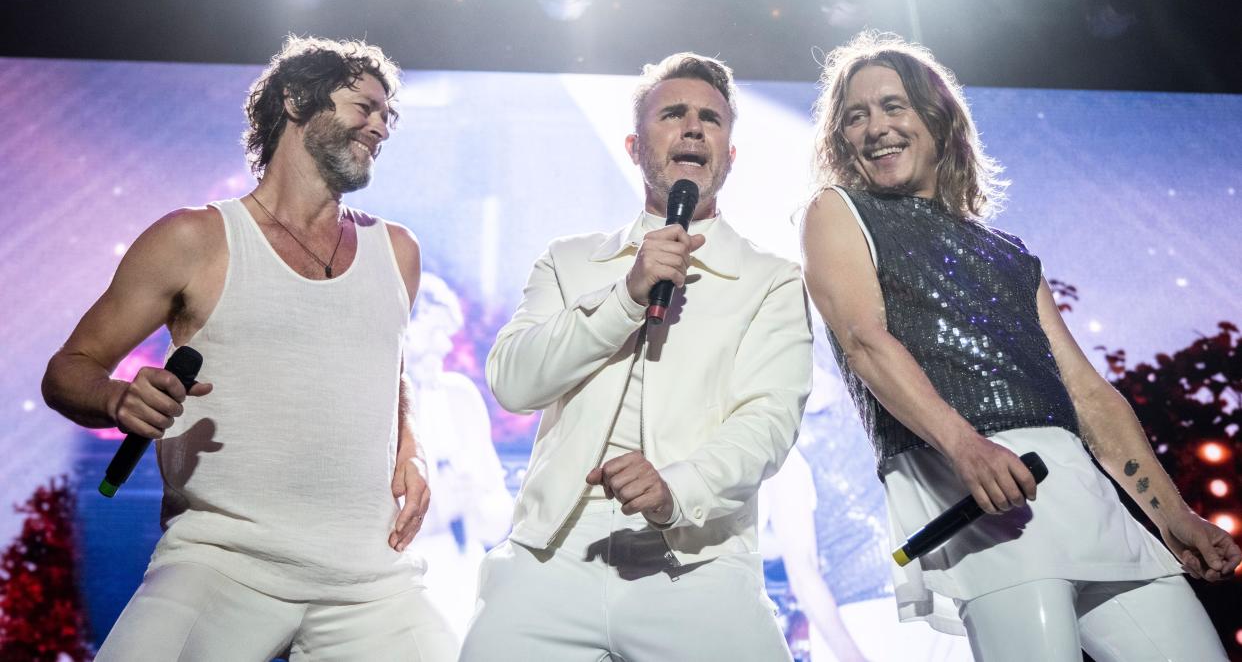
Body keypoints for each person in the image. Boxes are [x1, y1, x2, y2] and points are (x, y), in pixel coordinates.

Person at [800, 30, 1240, 661]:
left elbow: (1089, 396)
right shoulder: (838, 210)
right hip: (978, 491)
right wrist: (964, 447)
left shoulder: (1008, 252)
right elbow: (865, 341)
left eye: (893, 106)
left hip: (1081, 492)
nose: (875, 127)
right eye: (855, 117)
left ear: (937, 117)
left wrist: (1173, 516)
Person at [42, 36, 457, 661]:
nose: (379, 125)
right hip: (220, 560)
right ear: (294, 100)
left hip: (369, 575)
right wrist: (117, 397)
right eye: (362, 106)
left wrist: (413, 444)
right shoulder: (194, 238)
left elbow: (387, 366)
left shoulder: (397, 251)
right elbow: (66, 372)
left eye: (386, 114)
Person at [459, 53, 813, 661]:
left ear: (730, 153)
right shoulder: (571, 262)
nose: (694, 128)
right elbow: (514, 382)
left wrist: (675, 486)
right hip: (553, 554)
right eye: (672, 114)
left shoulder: (770, 279)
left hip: (696, 559)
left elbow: (768, 422)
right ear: (633, 145)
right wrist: (626, 293)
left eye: (711, 119)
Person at [763, 331, 971, 662]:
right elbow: (802, 571)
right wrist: (850, 655)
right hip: (864, 619)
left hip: (939, 599)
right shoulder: (791, 451)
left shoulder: (882, 415)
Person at [403, 272, 514, 637]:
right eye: (432, 331)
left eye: (447, 334)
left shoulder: (460, 397)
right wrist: (438, 511)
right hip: (397, 581)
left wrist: (483, 507)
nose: (444, 346)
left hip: (461, 570)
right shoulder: (374, 401)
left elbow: (495, 502)